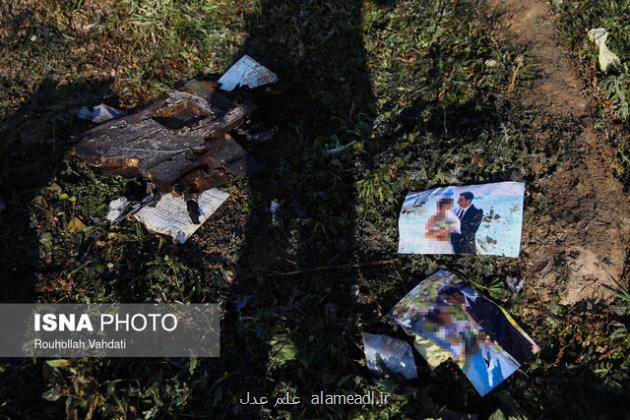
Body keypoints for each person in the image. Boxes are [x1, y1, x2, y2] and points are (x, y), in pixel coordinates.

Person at [437, 285, 536, 364]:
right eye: (445, 301)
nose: (447, 302)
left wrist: (497, 337)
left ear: (456, 294)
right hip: (504, 343)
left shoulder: (477, 300)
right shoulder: (466, 308)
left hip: (512, 339)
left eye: (447, 299)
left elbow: (498, 317)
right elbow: (479, 326)